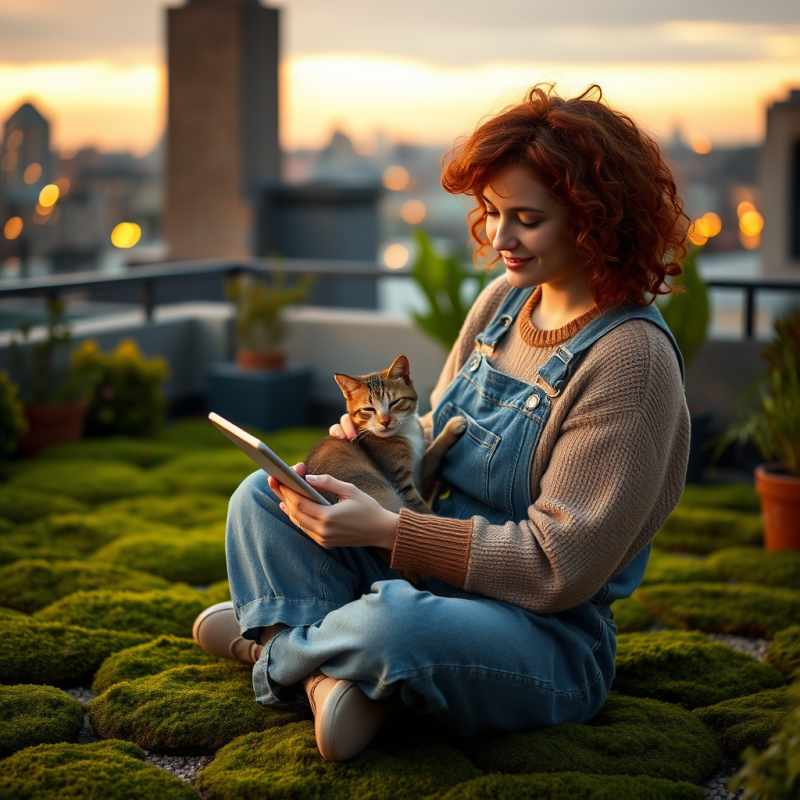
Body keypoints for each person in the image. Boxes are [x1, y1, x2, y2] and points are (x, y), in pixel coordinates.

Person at [192, 84, 691, 762]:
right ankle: (324, 677)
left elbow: (557, 567)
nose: (498, 238)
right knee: (263, 497)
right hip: (421, 577)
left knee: (395, 627)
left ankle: (277, 647)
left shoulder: (630, 360)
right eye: (490, 212)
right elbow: (439, 434)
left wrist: (389, 532)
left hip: (538, 636)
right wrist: (378, 448)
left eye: (525, 218)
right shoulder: (504, 305)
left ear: (593, 219)